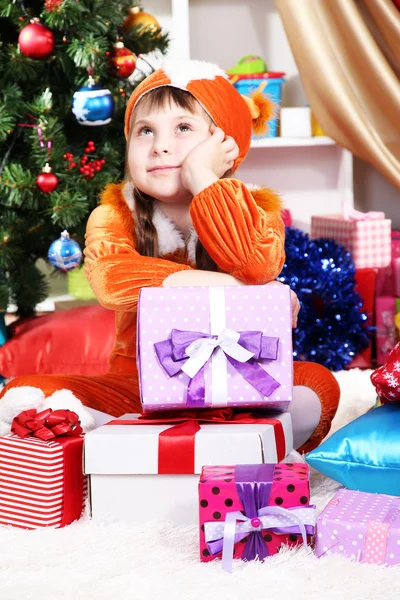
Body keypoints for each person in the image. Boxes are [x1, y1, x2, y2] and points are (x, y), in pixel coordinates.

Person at [0, 59, 339, 453]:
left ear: (225, 144)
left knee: (317, 386)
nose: (160, 145)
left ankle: (213, 440)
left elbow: (258, 265)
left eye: (183, 129)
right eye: (145, 131)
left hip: (239, 385)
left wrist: (204, 179)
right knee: (28, 391)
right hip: (138, 388)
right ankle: (183, 439)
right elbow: (113, 279)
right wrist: (237, 288)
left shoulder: (257, 211)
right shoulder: (114, 215)